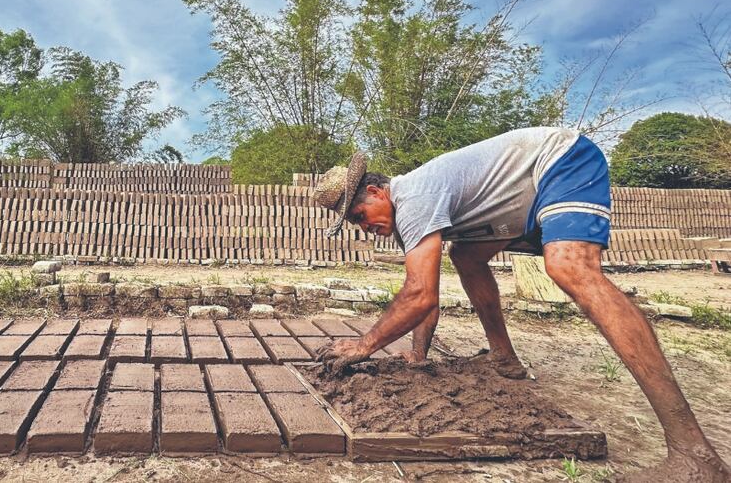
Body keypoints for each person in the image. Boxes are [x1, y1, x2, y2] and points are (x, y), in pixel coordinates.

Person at [312, 127, 729, 482]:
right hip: (521, 197)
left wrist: (365, 344)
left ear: (375, 190)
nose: (366, 227)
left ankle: (694, 452)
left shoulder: (416, 196)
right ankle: (505, 358)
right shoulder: (412, 212)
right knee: (466, 255)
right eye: (356, 225)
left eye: (360, 215)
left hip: (561, 160)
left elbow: (420, 294)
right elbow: (426, 294)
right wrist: (418, 355)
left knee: (568, 266)